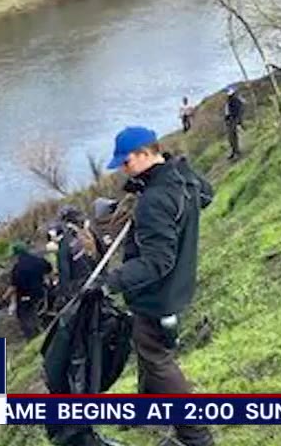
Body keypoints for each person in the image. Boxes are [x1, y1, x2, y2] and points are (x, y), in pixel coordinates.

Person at [96, 125, 215, 446]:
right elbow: (207, 194)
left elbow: (156, 262)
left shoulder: (155, 199)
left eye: (127, 162)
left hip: (156, 293)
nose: (123, 168)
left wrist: (110, 282)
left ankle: (195, 436)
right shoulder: (181, 179)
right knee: (149, 353)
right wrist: (158, 174)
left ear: (146, 154)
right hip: (179, 285)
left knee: (158, 359)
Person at [10, 241, 52, 339]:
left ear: (17, 255)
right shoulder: (39, 260)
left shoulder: (17, 268)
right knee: (40, 313)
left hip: (24, 297)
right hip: (41, 293)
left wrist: (4, 298)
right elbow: (49, 271)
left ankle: (33, 338)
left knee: (26, 319)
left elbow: (14, 286)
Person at [56, 208, 98, 300]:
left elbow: (64, 271)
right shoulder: (86, 236)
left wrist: (65, 293)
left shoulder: (65, 243)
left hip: (79, 286)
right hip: (93, 279)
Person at [223, 85, 245, 160]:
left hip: (233, 120)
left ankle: (237, 152)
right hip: (230, 120)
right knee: (231, 137)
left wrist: (237, 120)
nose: (227, 93)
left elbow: (237, 111)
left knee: (233, 137)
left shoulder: (234, 100)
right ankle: (234, 151)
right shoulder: (230, 100)